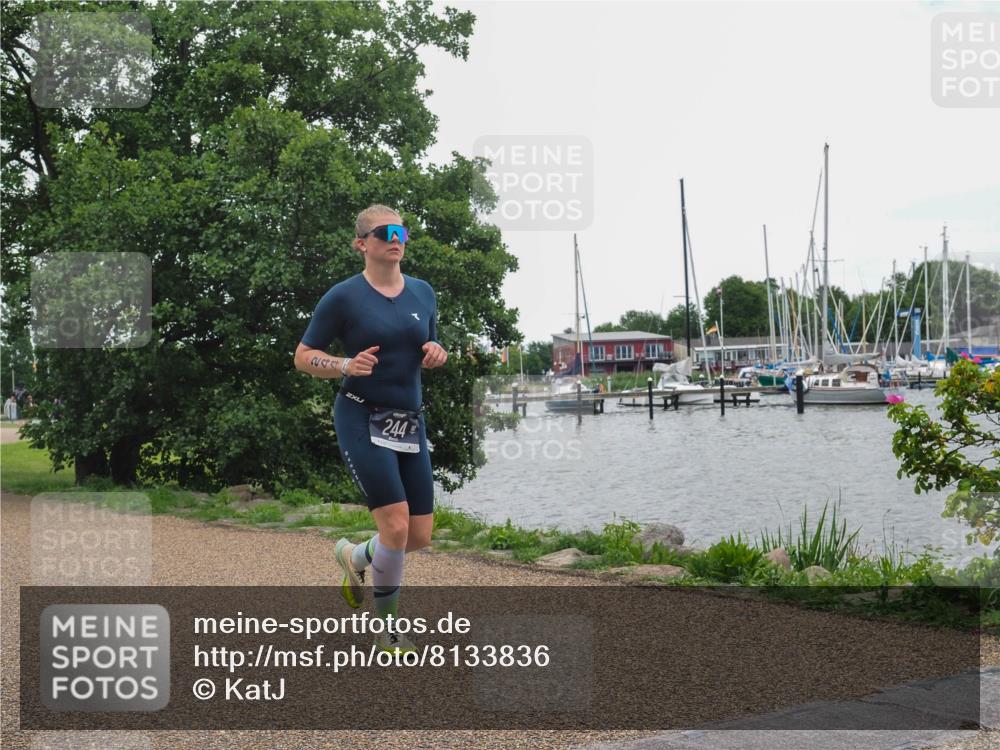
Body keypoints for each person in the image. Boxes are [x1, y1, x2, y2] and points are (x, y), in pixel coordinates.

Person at [294, 204, 447, 655]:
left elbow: (428, 344)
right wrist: (344, 364)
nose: (395, 239)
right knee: (395, 527)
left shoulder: (423, 292)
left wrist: (437, 351)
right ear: (362, 243)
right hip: (361, 414)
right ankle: (387, 627)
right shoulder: (343, 297)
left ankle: (353, 555)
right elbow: (304, 355)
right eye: (384, 233)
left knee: (416, 536)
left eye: (401, 231)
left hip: (407, 421)